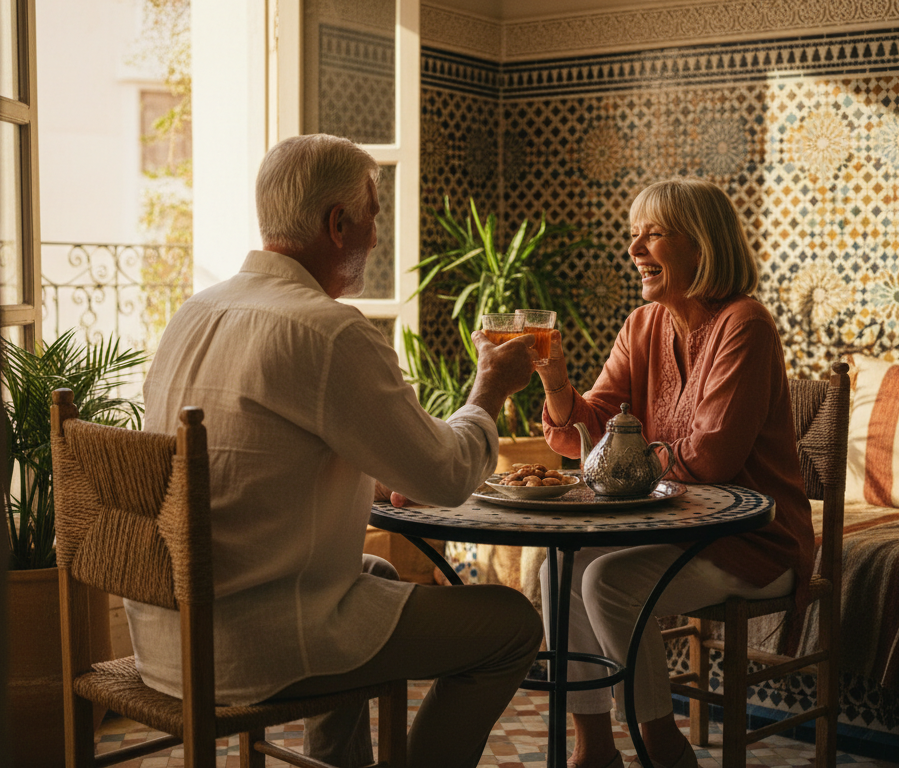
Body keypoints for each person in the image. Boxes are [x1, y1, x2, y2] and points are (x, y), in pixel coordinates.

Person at [127, 133, 545, 768]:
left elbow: (253, 453)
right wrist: (489, 389)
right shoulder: (327, 331)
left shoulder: (196, 310)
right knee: (512, 625)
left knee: (373, 575)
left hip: (170, 631)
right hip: (249, 646)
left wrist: (372, 473)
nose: (376, 237)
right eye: (373, 215)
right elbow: (446, 477)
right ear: (337, 223)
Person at [536, 178, 814, 768]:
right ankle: (594, 748)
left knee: (605, 580)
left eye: (653, 234)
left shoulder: (746, 324)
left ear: (701, 245)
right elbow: (586, 434)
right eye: (633, 235)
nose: (634, 249)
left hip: (754, 542)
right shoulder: (643, 325)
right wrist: (555, 380)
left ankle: (662, 746)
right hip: (677, 531)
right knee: (558, 568)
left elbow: (713, 458)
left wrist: (621, 462)